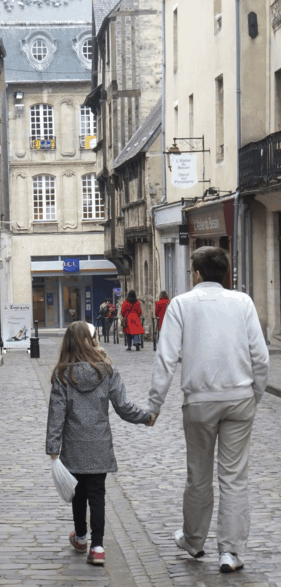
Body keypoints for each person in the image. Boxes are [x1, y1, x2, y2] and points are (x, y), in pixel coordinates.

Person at [146, 246, 269, 574]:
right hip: (240, 397)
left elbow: (166, 357)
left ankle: (194, 540)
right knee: (234, 477)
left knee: (198, 475)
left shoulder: (181, 305)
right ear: (226, 274)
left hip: (199, 401)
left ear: (196, 273)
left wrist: (155, 402)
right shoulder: (242, 302)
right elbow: (260, 355)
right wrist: (254, 394)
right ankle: (230, 551)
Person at [46, 321, 156, 566]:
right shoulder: (107, 370)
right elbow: (123, 406)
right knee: (97, 494)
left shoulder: (63, 374)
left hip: (73, 445)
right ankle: (97, 547)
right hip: (99, 444)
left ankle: (81, 537)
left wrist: (53, 448)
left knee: (78, 494)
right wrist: (146, 417)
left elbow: (56, 414)